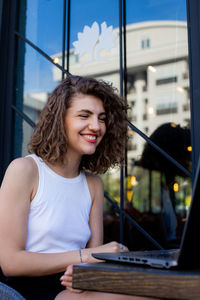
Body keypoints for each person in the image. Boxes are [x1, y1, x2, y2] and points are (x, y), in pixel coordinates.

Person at [0, 75, 158, 300]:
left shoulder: (93, 184)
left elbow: (95, 259)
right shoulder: (25, 170)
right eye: (84, 115)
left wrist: (87, 271)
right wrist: (86, 257)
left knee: (158, 288)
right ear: (59, 120)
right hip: (28, 291)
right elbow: (10, 263)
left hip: (77, 286)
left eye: (102, 118)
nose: (96, 126)